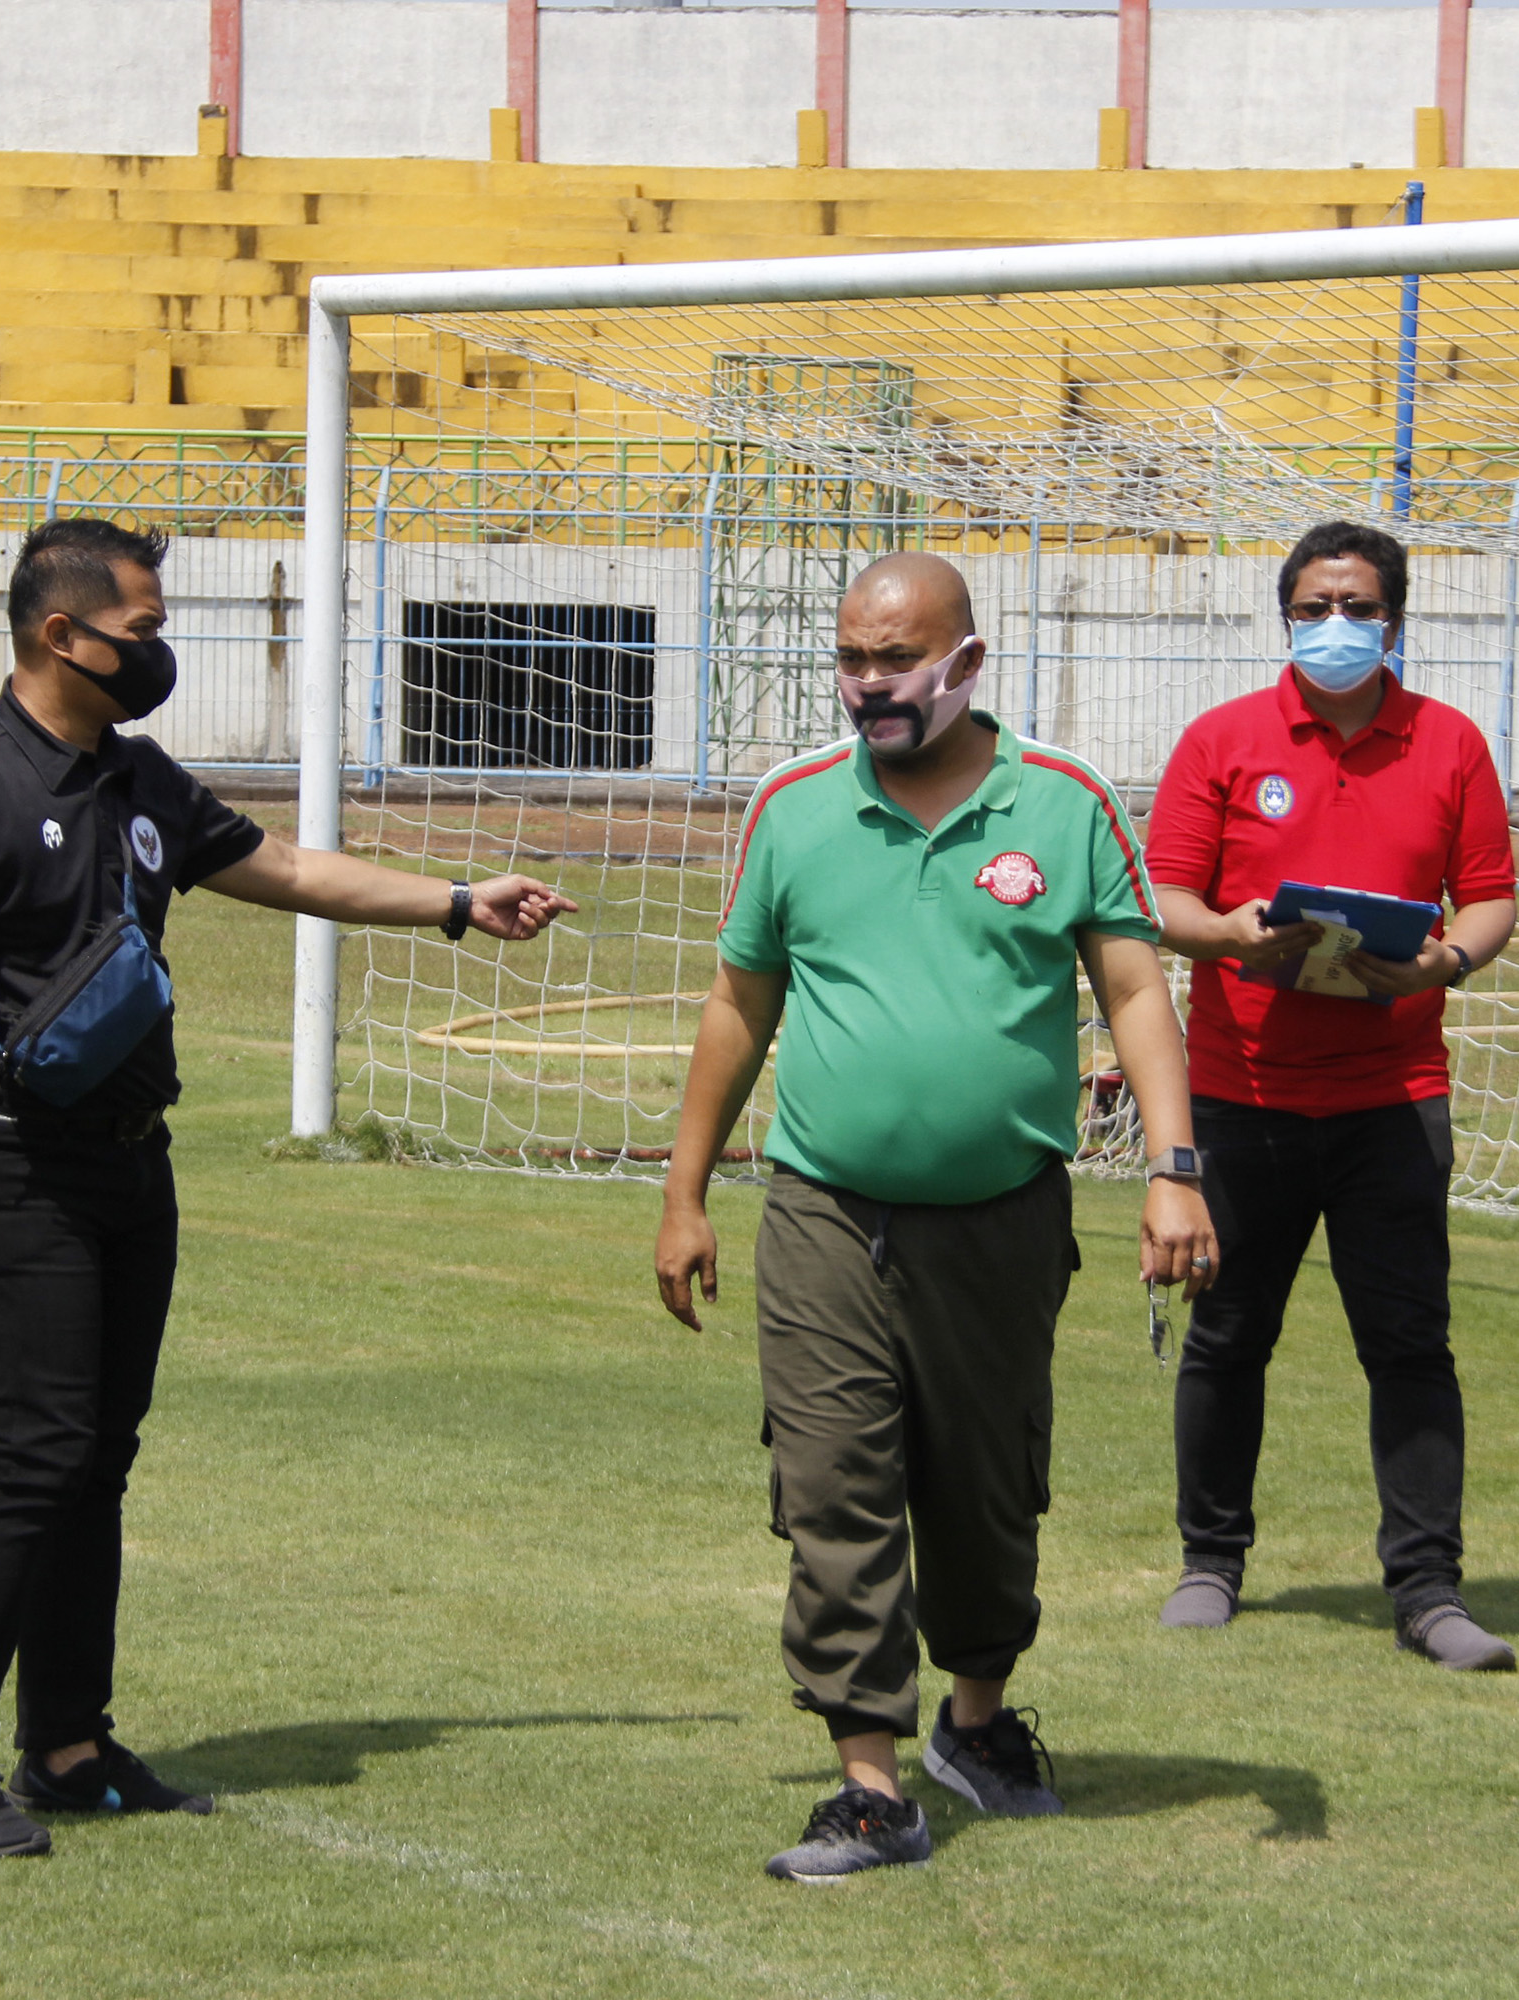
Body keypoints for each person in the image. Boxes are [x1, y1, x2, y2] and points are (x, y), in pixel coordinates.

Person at [0, 517, 574, 1858]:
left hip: (134, 1164)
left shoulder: (135, 778)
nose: (160, 648)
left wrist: (459, 903)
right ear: (61, 636)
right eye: (142, 628)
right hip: (10, 1161)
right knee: (38, 1457)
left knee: (98, 1461)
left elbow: (288, 869)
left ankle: (67, 1746)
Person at [654, 552, 1217, 1883]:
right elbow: (740, 1004)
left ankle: (976, 1723)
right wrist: (683, 1194)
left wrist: (1176, 1164)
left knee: (985, 1485)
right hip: (824, 1215)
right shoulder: (792, 807)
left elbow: (1137, 991)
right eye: (850, 660)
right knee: (833, 1481)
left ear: (966, 660)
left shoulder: (1064, 802)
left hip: (1004, 1216)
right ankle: (869, 1785)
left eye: (894, 661)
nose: (868, 686)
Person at [1142, 518, 1519, 1672]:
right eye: (1313, 607)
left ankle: (1428, 1588)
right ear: (1286, 616)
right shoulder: (1224, 738)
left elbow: (1493, 900)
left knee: (1409, 1345)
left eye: (1357, 605)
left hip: (1393, 1095)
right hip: (1242, 1091)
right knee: (1228, 1334)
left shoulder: (1450, 743)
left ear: (1395, 618)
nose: (1335, 625)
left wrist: (1442, 960)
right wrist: (1231, 937)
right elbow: (1162, 895)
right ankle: (1212, 1560)